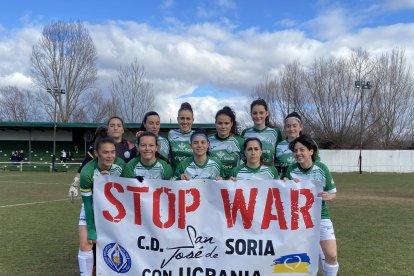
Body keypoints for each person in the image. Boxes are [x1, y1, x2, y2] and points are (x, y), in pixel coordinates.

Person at [285, 134, 339, 276]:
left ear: (311, 151)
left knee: (332, 255)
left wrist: (328, 196)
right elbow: (283, 194)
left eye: (302, 150)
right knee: (305, 257)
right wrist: (285, 184)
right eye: (295, 151)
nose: (298, 153)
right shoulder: (291, 170)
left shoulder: (322, 168)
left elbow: (333, 193)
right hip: (299, 219)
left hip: (321, 216)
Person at [79, 129, 126, 276]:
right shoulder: (87, 172)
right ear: (97, 154)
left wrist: (110, 180)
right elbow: (87, 204)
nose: (110, 156)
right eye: (105, 152)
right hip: (92, 208)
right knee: (86, 243)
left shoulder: (121, 166)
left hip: (116, 211)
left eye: (112, 152)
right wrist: (92, 230)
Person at [69, 116, 136, 200]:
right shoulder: (96, 146)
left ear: (123, 129)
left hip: (123, 191)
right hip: (100, 192)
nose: (115, 128)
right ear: (107, 129)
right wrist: (74, 185)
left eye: (119, 125)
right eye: (112, 125)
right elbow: (83, 168)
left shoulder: (131, 147)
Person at [242, 98, 283, 166]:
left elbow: (278, 155)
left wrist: (277, 172)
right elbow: (243, 155)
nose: (258, 116)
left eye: (261, 113)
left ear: (266, 113)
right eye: (255, 113)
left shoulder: (275, 132)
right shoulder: (245, 132)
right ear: (251, 114)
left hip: (269, 174)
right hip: (250, 174)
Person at [209, 106, 244, 179]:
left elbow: (248, 164)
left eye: (226, 123)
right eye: (220, 123)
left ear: (231, 124)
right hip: (212, 184)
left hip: (232, 184)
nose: (223, 126)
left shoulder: (240, 141)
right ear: (215, 123)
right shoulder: (207, 140)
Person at [167, 102, 195, 170]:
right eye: (182, 118)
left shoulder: (197, 136)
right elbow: (158, 143)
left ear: (192, 120)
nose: (185, 122)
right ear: (178, 119)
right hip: (175, 176)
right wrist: (145, 134)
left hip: (192, 176)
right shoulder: (171, 134)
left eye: (188, 119)